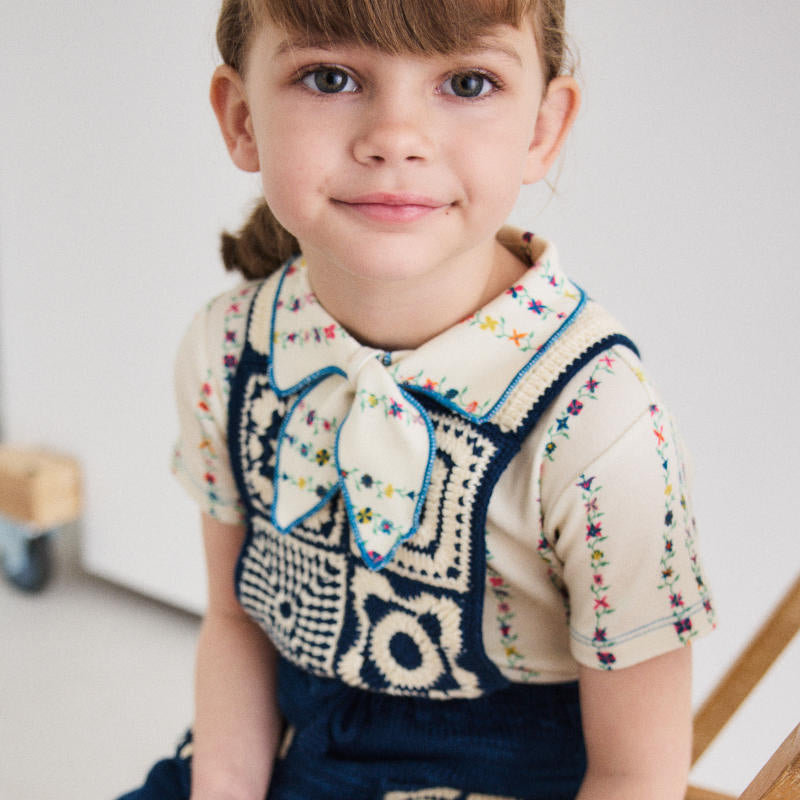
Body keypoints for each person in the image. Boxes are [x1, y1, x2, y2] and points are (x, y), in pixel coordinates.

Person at [119, 1, 716, 798]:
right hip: (285, 748)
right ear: (241, 118)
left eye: (467, 83)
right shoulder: (229, 349)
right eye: (329, 78)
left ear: (543, 127)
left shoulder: (598, 423)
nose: (396, 138)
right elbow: (237, 622)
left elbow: (636, 773)